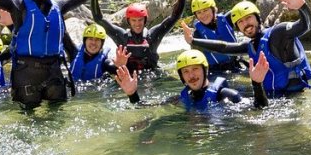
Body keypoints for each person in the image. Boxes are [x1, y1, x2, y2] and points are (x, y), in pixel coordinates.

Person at [184, 0, 311, 97]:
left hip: (296, 97)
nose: (245, 24)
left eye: (248, 18)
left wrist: (302, 7)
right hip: (274, 99)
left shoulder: (278, 33)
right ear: (238, 28)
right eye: (240, 22)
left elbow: (306, 25)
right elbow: (224, 47)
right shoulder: (250, 45)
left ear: (258, 18)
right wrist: (193, 40)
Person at [89, 0, 189, 74]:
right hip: (129, 78)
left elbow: (174, 17)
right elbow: (99, 19)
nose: (137, 24)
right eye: (134, 20)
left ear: (145, 20)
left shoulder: (154, 36)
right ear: (128, 21)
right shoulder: (121, 36)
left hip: (152, 78)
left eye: (140, 20)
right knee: (107, 64)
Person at [115, 49, 270, 110]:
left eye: (195, 69)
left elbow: (260, 109)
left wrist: (257, 84)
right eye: (186, 72)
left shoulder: (226, 94)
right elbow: (143, 107)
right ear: (182, 77)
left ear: (205, 70)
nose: (192, 75)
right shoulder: (182, 97)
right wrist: (132, 94)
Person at [190, 0, 268, 75]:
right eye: (199, 13)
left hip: (236, 64)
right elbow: (196, 60)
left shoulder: (226, 20)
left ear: (214, 9)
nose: (203, 15)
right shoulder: (197, 35)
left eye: (205, 10)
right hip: (216, 72)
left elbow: (247, 5)